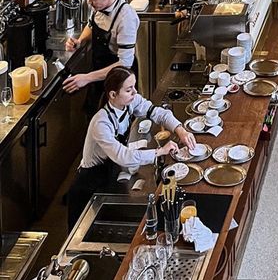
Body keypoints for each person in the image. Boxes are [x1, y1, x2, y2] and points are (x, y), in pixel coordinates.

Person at [67, 66, 195, 228]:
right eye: (129, 90)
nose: (135, 93)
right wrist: (160, 151)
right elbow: (123, 156)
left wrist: (180, 130)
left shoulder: (129, 103)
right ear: (113, 95)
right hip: (88, 186)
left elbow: (158, 113)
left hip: (109, 175)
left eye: (134, 87)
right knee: (83, 232)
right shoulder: (101, 123)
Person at [63, 0, 140, 117]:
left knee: (115, 121)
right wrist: (80, 41)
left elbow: (124, 63)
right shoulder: (98, 6)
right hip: (99, 69)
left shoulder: (126, 18)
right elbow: (92, 25)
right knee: (93, 115)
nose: (89, 3)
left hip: (119, 79)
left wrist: (86, 78)